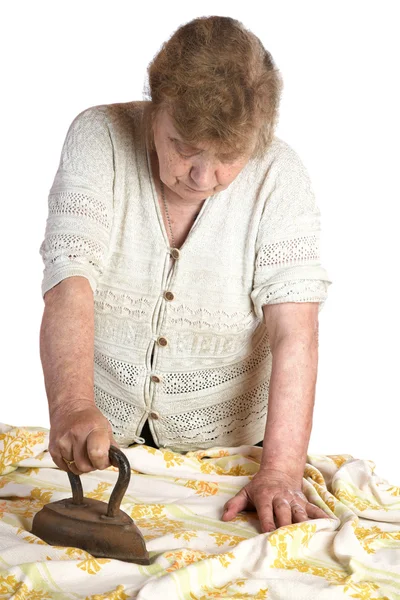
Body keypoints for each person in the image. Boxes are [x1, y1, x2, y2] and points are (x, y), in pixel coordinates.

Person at [39, 15, 333, 532]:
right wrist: (73, 405)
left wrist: (282, 470)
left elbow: (295, 332)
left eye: (228, 158)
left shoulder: (281, 177)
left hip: (230, 454)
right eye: (182, 145)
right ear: (155, 105)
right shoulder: (99, 136)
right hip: (103, 440)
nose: (202, 177)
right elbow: (70, 276)